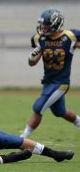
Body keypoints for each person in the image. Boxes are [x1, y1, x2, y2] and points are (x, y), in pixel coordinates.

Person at [20, 9, 80, 138]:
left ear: (56, 23)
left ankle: (22, 137)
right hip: (48, 81)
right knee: (60, 111)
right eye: (43, 24)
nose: (43, 27)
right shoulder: (39, 38)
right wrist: (31, 57)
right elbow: (32, 63)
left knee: (38, 107)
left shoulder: (70, 36)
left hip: (61, 82)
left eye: (46, 24)